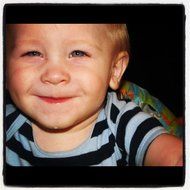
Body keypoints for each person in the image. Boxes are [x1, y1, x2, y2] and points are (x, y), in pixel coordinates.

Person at [5, 24, 183, 166]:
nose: (54, 75)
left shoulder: (122, 120)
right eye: (32, 53)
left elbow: (170, 154)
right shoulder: (8, 121)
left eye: (78, 53)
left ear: (114, 70)